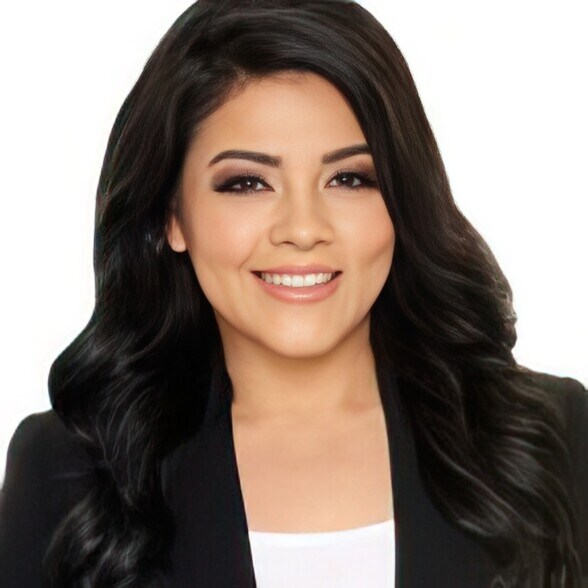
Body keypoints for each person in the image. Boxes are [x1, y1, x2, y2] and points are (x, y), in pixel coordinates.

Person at [0, 0, 586, 586]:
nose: (303, 230)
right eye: (247, 183)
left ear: (402, 203)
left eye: (348, 178)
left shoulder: (553, 437)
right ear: (171, 216)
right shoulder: (66, 472)